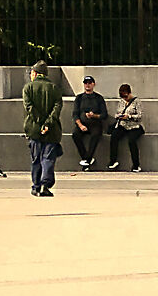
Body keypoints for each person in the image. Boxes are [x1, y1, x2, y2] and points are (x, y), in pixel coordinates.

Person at [22, 60, 63, 196]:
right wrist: (47, 124)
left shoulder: (28, 88)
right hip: (52, 130)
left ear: (35, 73)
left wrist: (40, 124)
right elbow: (57, 109)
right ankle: (45, 184)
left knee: (36, 159)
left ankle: (36, 186)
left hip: (34, 129)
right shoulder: (54, 88)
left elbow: (29, 107)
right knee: (48, 158)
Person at [71, 75, 108, 170]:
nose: (87, 85)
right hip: (82, 123)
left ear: (93, 84)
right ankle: (86, 158)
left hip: (95, 123)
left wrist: (94, 115)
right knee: (75, 135)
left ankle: (87, 160)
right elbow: (75, 114)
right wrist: (80, 125)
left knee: (95, 135)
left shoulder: (99, 98)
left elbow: (104, 115)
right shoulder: (79, 98)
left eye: (89, 83)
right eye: (86, 83)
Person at [107, 85, 144, 171]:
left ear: (129, 93)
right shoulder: (121, 102)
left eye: (126, 96)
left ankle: (136, 165)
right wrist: (119, 116)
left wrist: (129, 116)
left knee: (131, 141)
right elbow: (117, 113)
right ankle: (113, 161)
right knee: (114, 137)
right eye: (123, 97)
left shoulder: (137, 101)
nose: (125, 99)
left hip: (134, 126)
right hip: (123, 125)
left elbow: (140, 116)